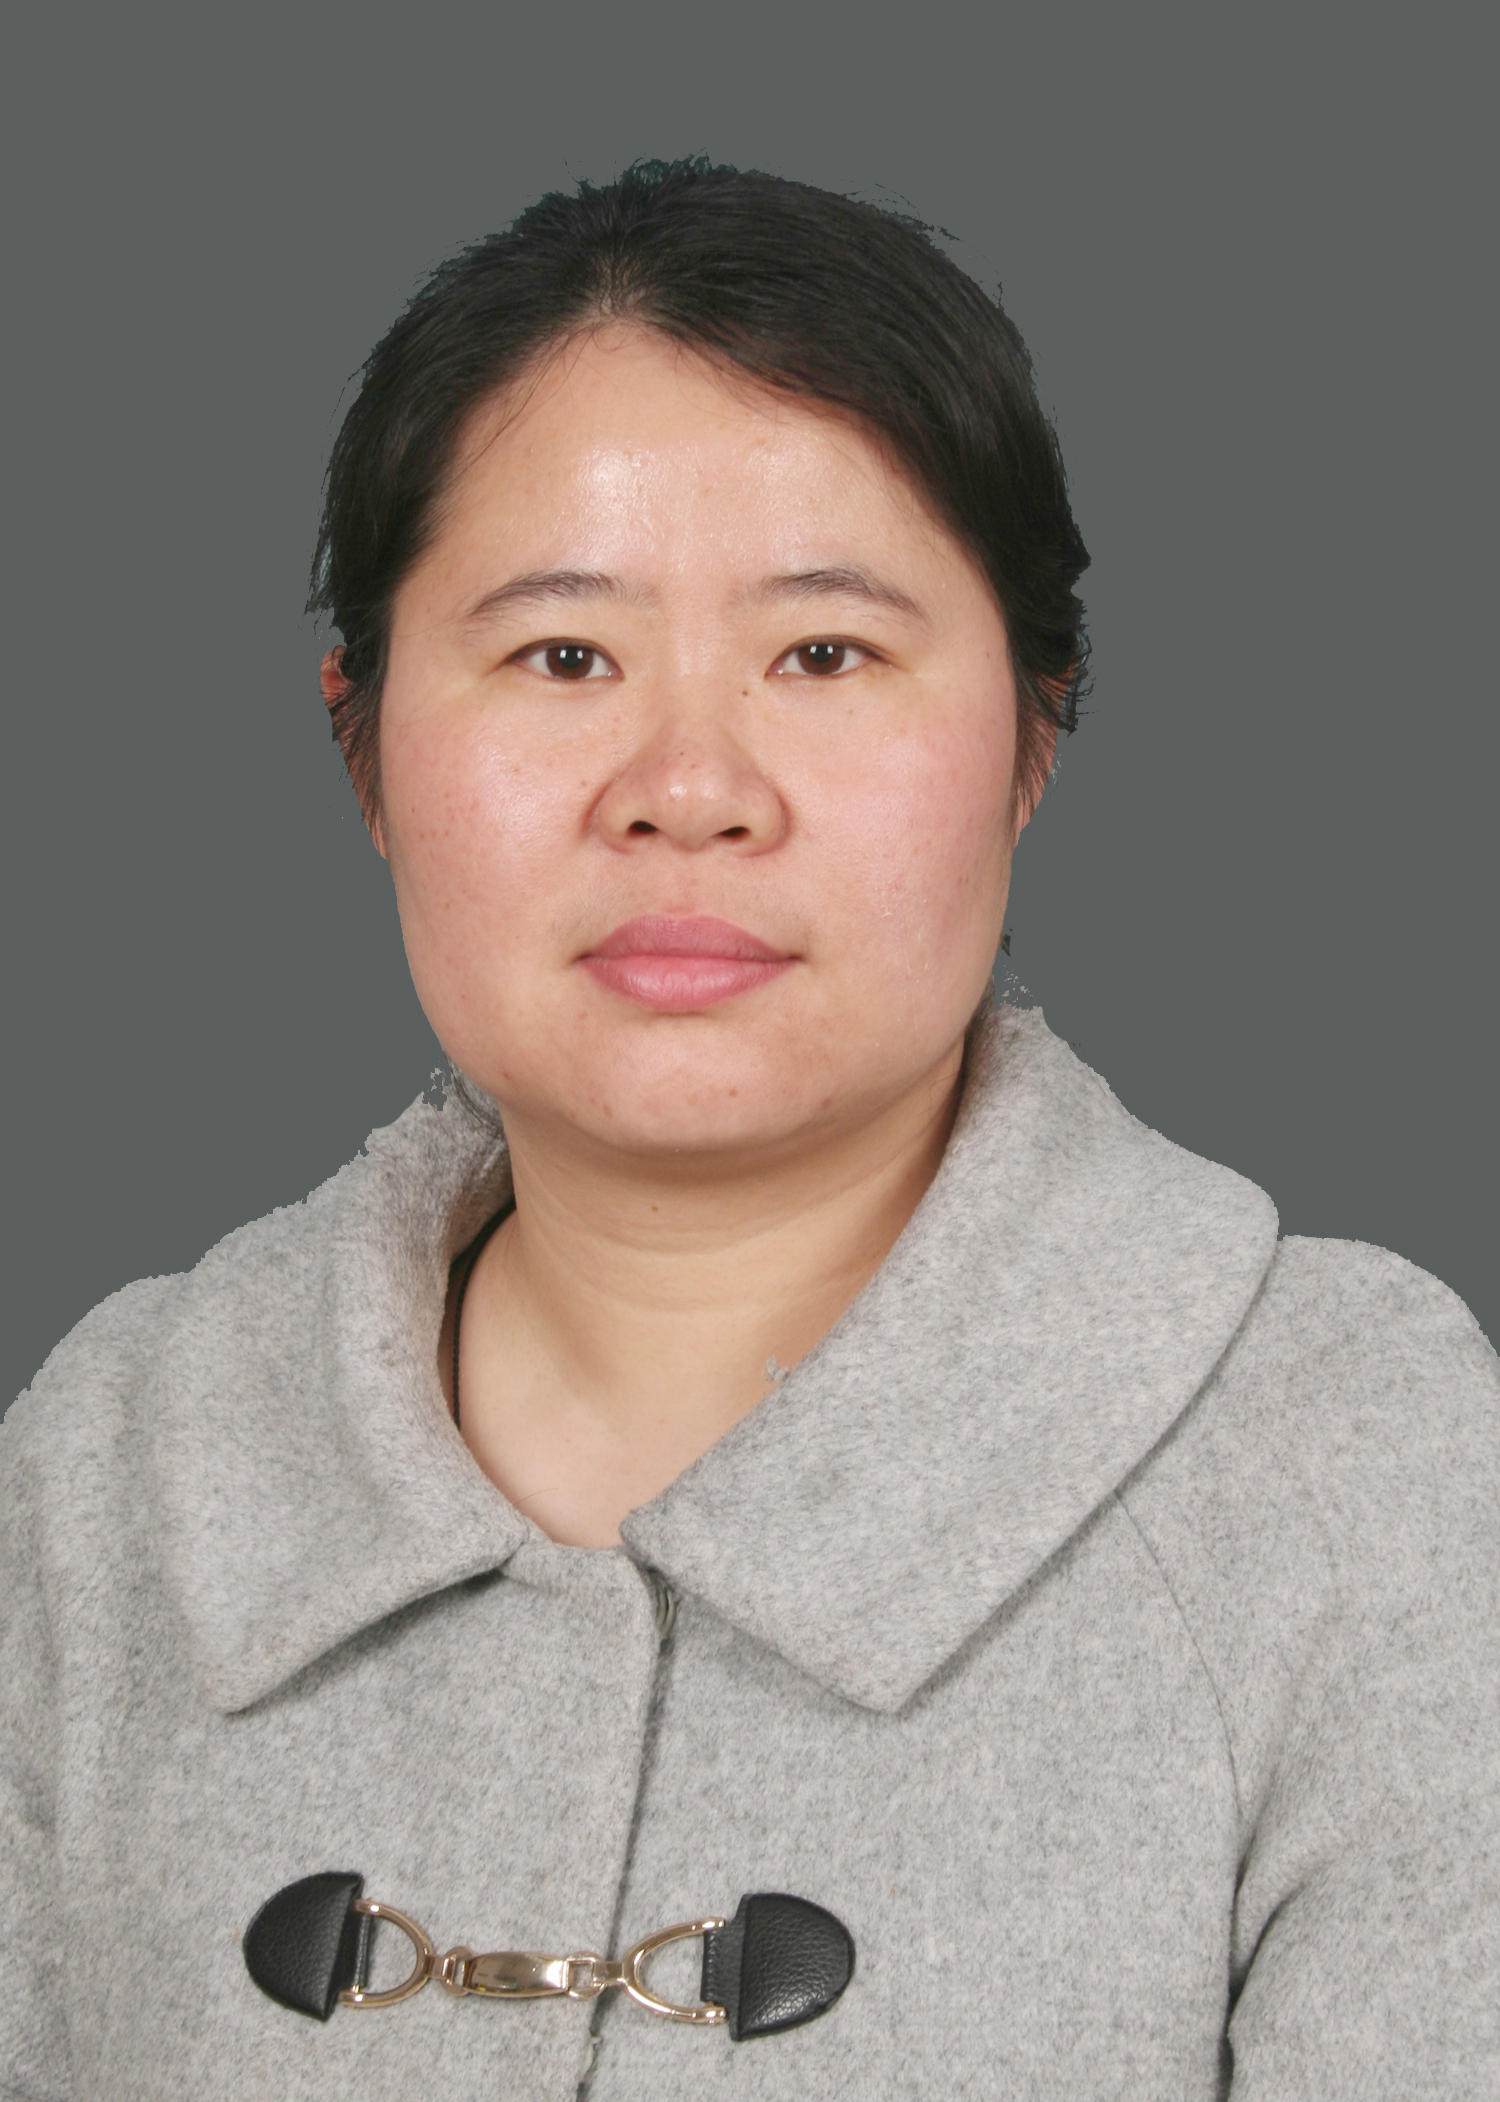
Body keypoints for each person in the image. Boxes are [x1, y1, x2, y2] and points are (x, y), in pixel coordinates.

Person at [1, 159, 1495, 2101]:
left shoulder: (1365, 1468)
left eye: (823, 653)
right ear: (358, 739)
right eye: (562, 656)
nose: (689, 786)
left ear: (1037, 730)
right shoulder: (107, 1465)